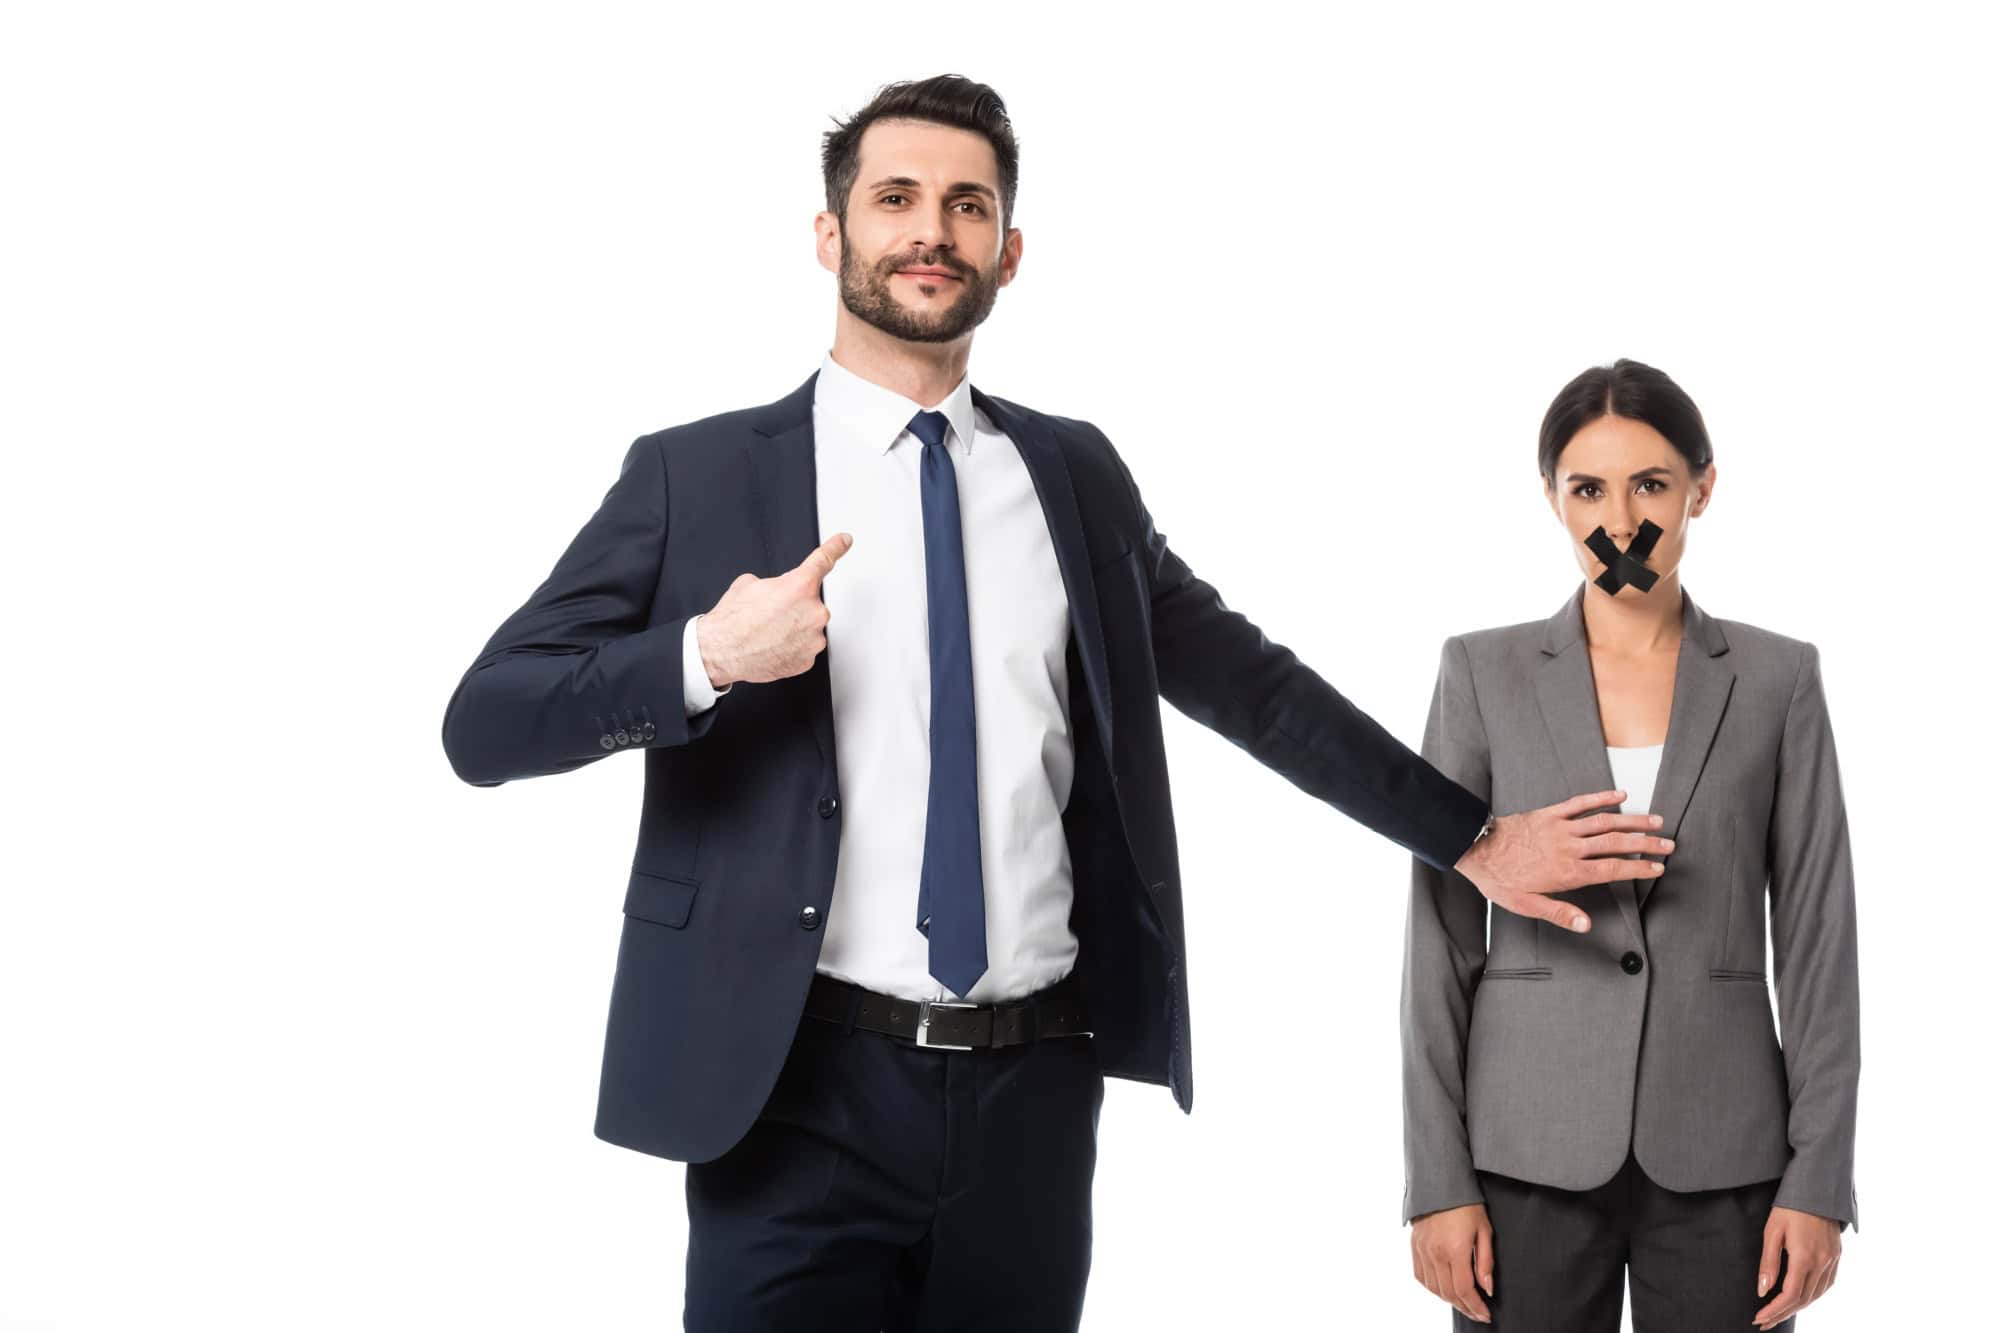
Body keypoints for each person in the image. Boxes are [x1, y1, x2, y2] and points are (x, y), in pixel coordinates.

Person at [441, 75, 1675, 1331]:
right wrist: (703, 651)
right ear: (830, 235)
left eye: (966, 206)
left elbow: (1248, 684)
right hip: (787, 1090)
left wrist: (1470, 838)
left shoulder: (1070, 474)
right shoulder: (692, 474)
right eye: (895, 199)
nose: (931, 230)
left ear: (1007, 252)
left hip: (1030, 1092)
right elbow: (486, 719)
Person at [1400, 358, 1860, 1331]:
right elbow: (1437, 941)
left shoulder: (1777, 680)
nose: (1620, 519)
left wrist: (1817, 1179)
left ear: (1700, 487)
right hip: (1521, 1152)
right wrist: (1436, 1179)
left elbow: (1819, 945)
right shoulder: (1480, 672)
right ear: (1551, 500)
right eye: (1587, 488)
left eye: (1649, 483)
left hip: (1725, 1155)